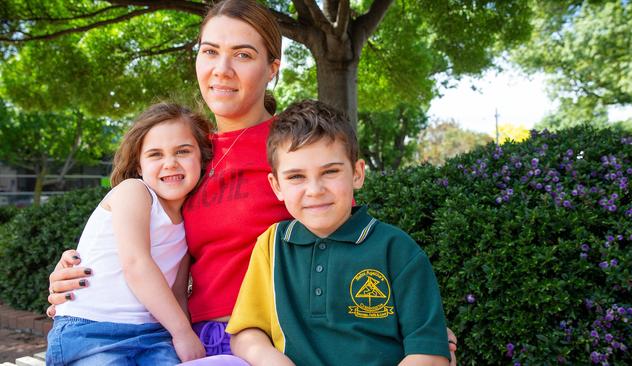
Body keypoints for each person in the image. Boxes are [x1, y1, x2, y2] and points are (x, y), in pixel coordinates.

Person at [45, 0, 458, 363]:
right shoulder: (185, 153)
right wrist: (80, 273)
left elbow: (349, 232)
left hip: (279, 342)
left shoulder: (296, 146)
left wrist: (410, 328)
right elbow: (140, 231)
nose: (221, 70)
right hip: (186, 339)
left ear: (272, 68)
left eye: (242, 54)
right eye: (210, 52)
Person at [225, 100, 451, 366]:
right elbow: (245, 333)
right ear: (276, 186)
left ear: (357, 174)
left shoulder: (396, 249)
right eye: (296, 177)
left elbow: (430, 353)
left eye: (330, 172)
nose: (315, 190)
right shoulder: (272, 246)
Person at [45, 103, 211, 365]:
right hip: (92, 330)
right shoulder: (134, 192)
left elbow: (178, 292)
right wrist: (182, 332)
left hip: (154, 335)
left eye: (183, 151)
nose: (170, 163)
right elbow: (136, 264)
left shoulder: (188, 221)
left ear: (201, 157)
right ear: (138, 166)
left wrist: (184, 333)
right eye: (155, 155)